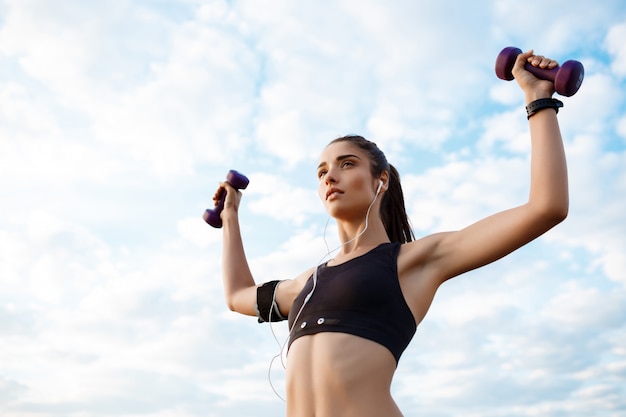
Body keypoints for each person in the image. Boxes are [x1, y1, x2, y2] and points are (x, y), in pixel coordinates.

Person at [213, 49, 569, 417]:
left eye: (346, 164)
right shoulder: (308, 283)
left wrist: (538, 99)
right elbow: (238, 294)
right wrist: (231, 216)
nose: (329, 176)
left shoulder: (412, 261)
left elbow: (546, 208)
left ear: (380, 180)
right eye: (321, 172)